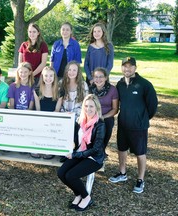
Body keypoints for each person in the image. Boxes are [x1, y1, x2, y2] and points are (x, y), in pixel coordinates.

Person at [109, 57, 158, 194]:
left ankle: (140, 179)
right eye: (125, 66)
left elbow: (152, 105)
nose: (127, 69)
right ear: (121, 68)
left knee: (140, 153)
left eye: (130, 66)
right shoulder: (120, 84)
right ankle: (122, 173)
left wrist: (142, 118)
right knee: (121, 149)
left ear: (135, 68)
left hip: (139, 126)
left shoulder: (144, 84)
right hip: (123, 124)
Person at [57, 94, 106, 212]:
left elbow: (95, 149)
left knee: (71, 175)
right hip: (80, 153)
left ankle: (86, 197)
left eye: (91, 107)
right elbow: (74, 139)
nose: (88, 109)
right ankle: (78, 194)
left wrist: (75, 155)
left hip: (94, 158)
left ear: (97, 108)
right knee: (61, 173)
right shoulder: (81, 121)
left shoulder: (100, 125)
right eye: (86, 106)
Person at [30, 66, 63, 159]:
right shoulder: (37, 90)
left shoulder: (59, 91)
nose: (48, 78)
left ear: (54, 77)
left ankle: (49, 148)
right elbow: (37, 108)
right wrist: (42, 120)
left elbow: (57, 110)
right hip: (40, 117)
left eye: (51, 76)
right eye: (46, 76)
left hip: (53, 119)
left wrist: (49, 120)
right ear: (42, 77)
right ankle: (37, 147)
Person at [89, 67, 118, 156]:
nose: (98, 79)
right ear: (93, 78)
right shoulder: (90, 89)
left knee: (107, 123)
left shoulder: (112, 90)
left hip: (106, 117)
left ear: (106, 78)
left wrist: (102, 117)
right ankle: (90, 150)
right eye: (96, 77)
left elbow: (115, 109)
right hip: (92, 116)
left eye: (101, 77)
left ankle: (101, 150)